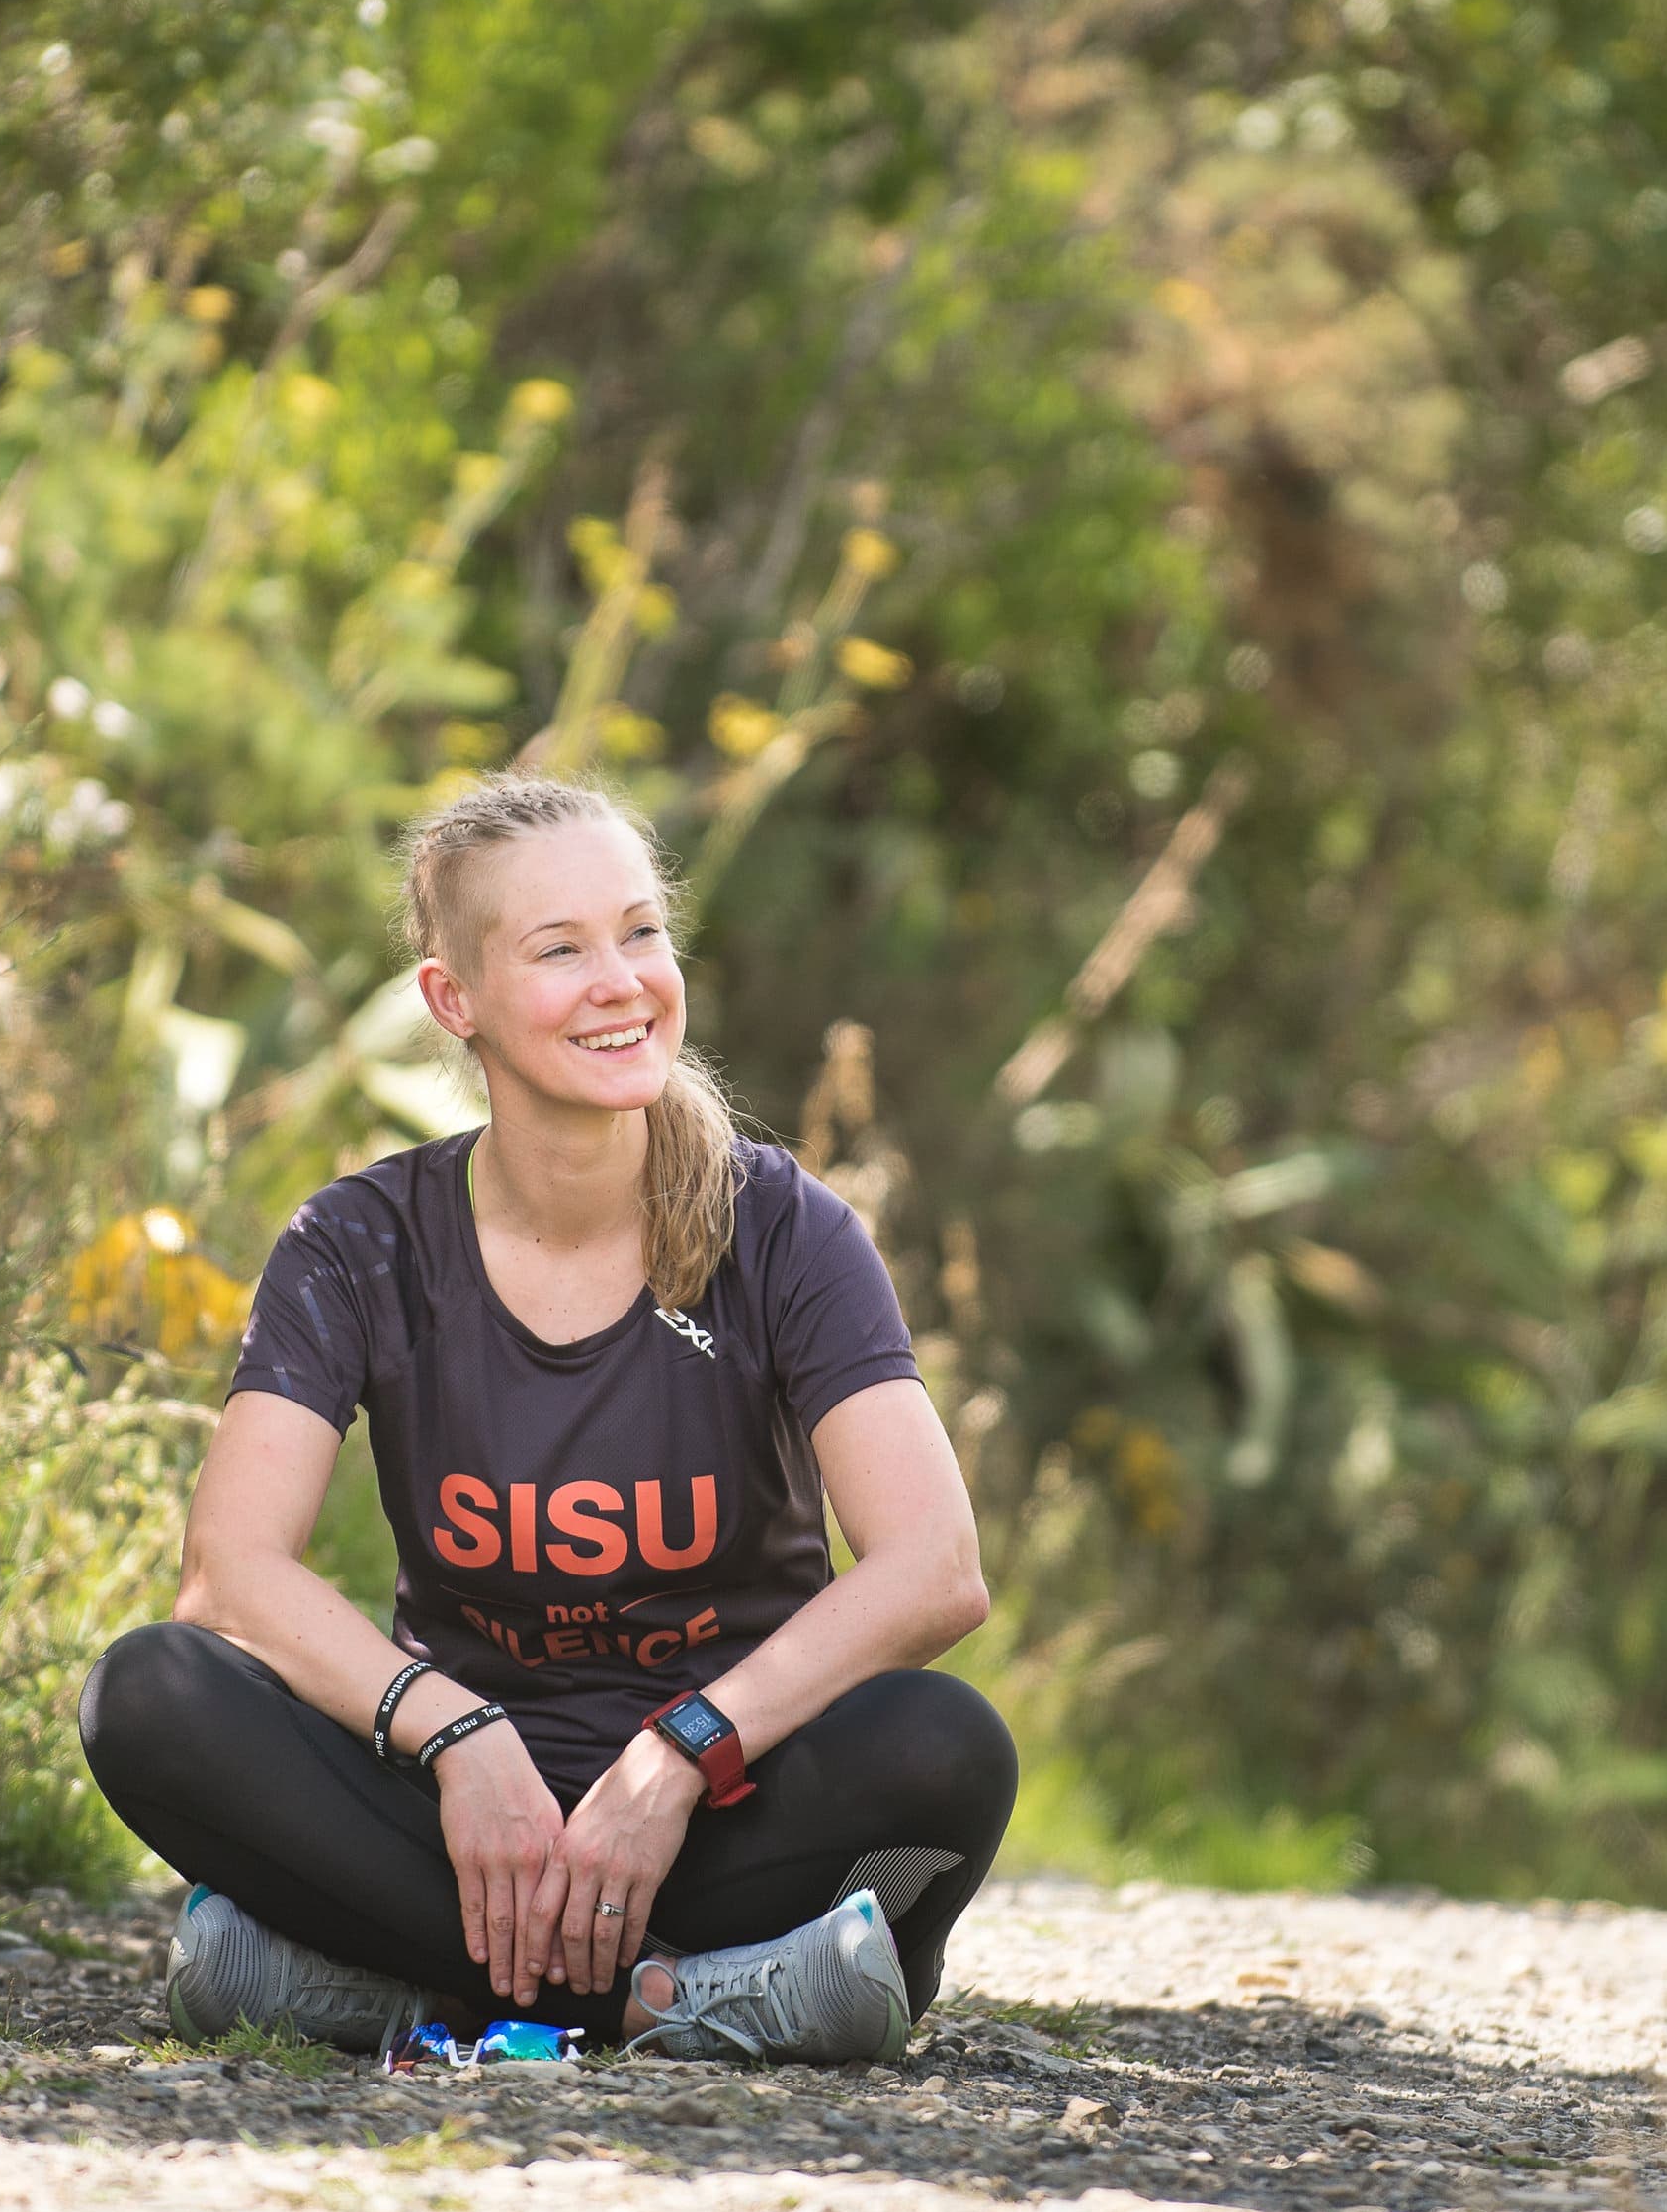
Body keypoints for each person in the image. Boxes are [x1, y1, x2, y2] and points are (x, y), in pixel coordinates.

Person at [78, 772, 1017, 2065]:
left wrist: (679, 1757)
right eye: (560, 949)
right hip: (452, 1831)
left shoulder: (786, 1228)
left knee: (943, 1746)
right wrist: (459, 1739)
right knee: (148, 1695)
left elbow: (936, 1569)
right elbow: (227, 1578)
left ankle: (408, 1997)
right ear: (452, 1001)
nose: (622, 980)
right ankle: (695, 2004)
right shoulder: (358, 1244)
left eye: (640, 932)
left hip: (720, 1821)